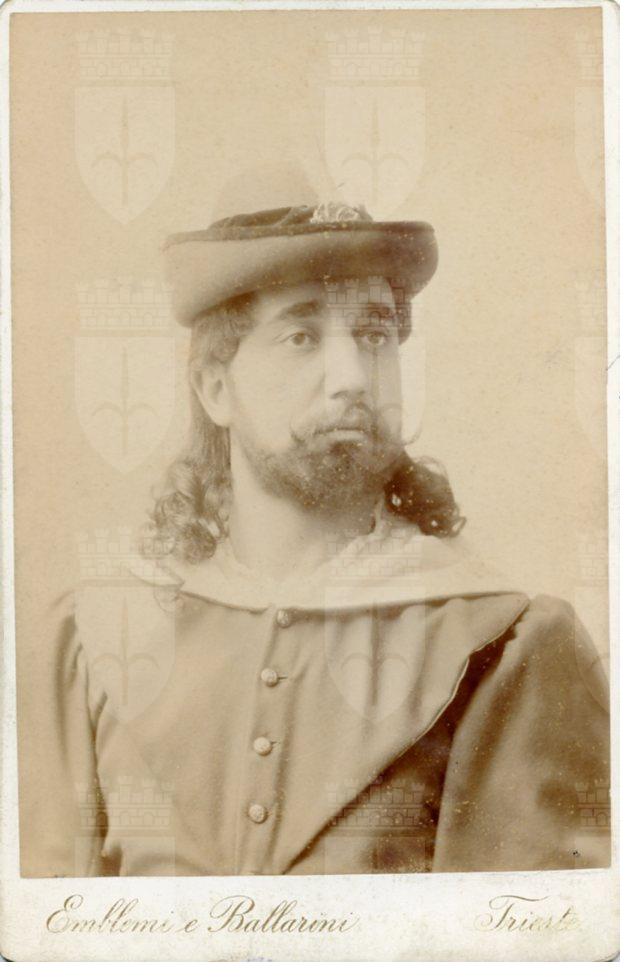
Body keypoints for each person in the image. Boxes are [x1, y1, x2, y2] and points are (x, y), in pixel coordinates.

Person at [26, 192, 609, 878]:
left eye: (374, 336)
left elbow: (518, 926)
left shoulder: (503, 647)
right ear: (215, 389)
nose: (353, 378)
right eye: (302, 337)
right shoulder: (94, 642)